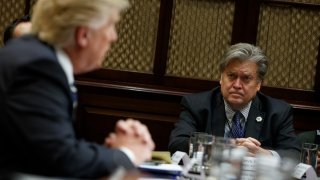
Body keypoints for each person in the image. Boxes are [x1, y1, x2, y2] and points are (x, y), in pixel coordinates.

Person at [0, 0, 155, 178]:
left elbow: (48, 146)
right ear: (83, 35)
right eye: (111, 25)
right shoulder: (37, 67)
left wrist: (106, 153)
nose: (114, 37)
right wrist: (127, 153)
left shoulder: (35, 56)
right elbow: (61, 159)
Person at [168, 43, 301, 160]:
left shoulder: (277, 112)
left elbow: (294, 154)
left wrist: (264, 155)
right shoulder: (197, 105)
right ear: (221, 78)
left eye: (246, 78)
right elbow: (177, 144)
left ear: (258, 84)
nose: (237, 85)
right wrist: (225, 147)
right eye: (231, 76)